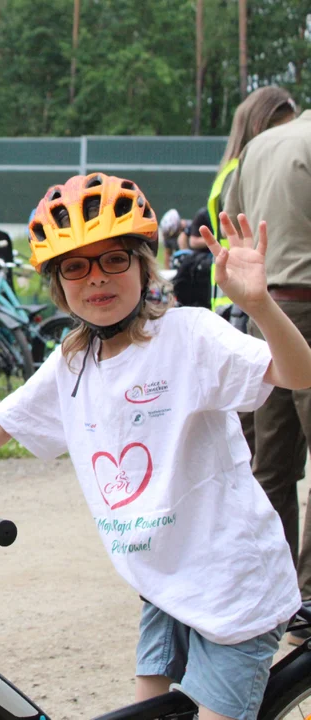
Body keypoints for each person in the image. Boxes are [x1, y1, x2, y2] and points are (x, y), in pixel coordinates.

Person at [0, 173, 311, 720]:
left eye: (114, 260)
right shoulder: (73, 363)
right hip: (164, 586)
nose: (96, 278)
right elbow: (2, 421)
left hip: (232, 588)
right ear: (58, 283)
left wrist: (260, 305)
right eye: (76, 265)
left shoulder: (190, 338)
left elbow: (296, 373)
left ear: (144, 267)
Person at [225, 100, 311, 641]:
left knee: (272, 464)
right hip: (308, 302)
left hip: (266, 308)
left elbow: (229, 218)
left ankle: (276, 596)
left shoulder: (257, 146)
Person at [209, 86, 298, 312]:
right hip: (242, 299)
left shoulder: (233, 172)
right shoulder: (245, 173)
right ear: (261, 128)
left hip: (236, 296)